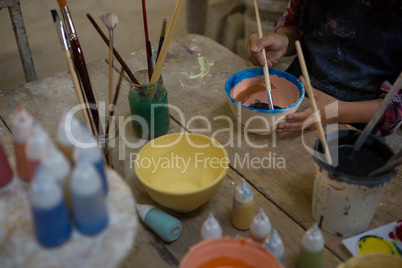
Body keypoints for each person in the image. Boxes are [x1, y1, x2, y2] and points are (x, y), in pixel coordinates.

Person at [247, 0, 402, 136]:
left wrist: (335, 111)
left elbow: (397, 108)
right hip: (297, 96)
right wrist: (285, 40)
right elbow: (296, 23)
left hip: (357, 122)